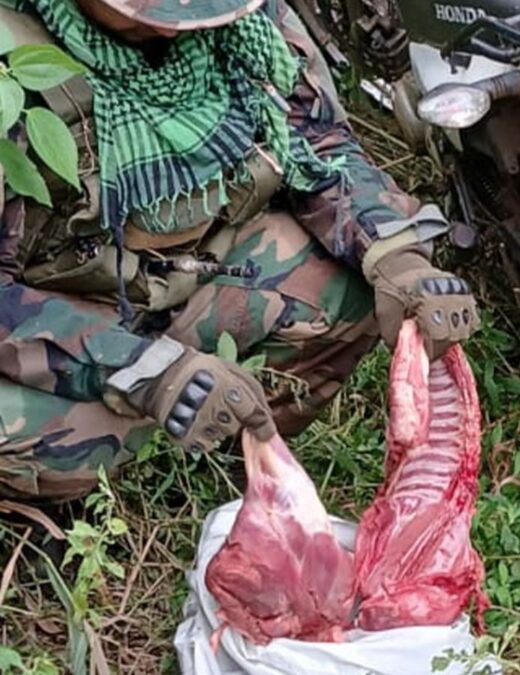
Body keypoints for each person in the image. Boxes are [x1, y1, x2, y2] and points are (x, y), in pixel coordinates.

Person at [0, 0, 480, 500]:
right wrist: (139, 367)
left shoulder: (245, 26)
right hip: (58, 318)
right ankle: (65, 511)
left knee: (348, 289)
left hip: (188, 275)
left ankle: (239, 466)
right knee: (63, 445)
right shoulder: (10, 69)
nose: (185, 23)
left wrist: (394, 252)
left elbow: (317, 143)